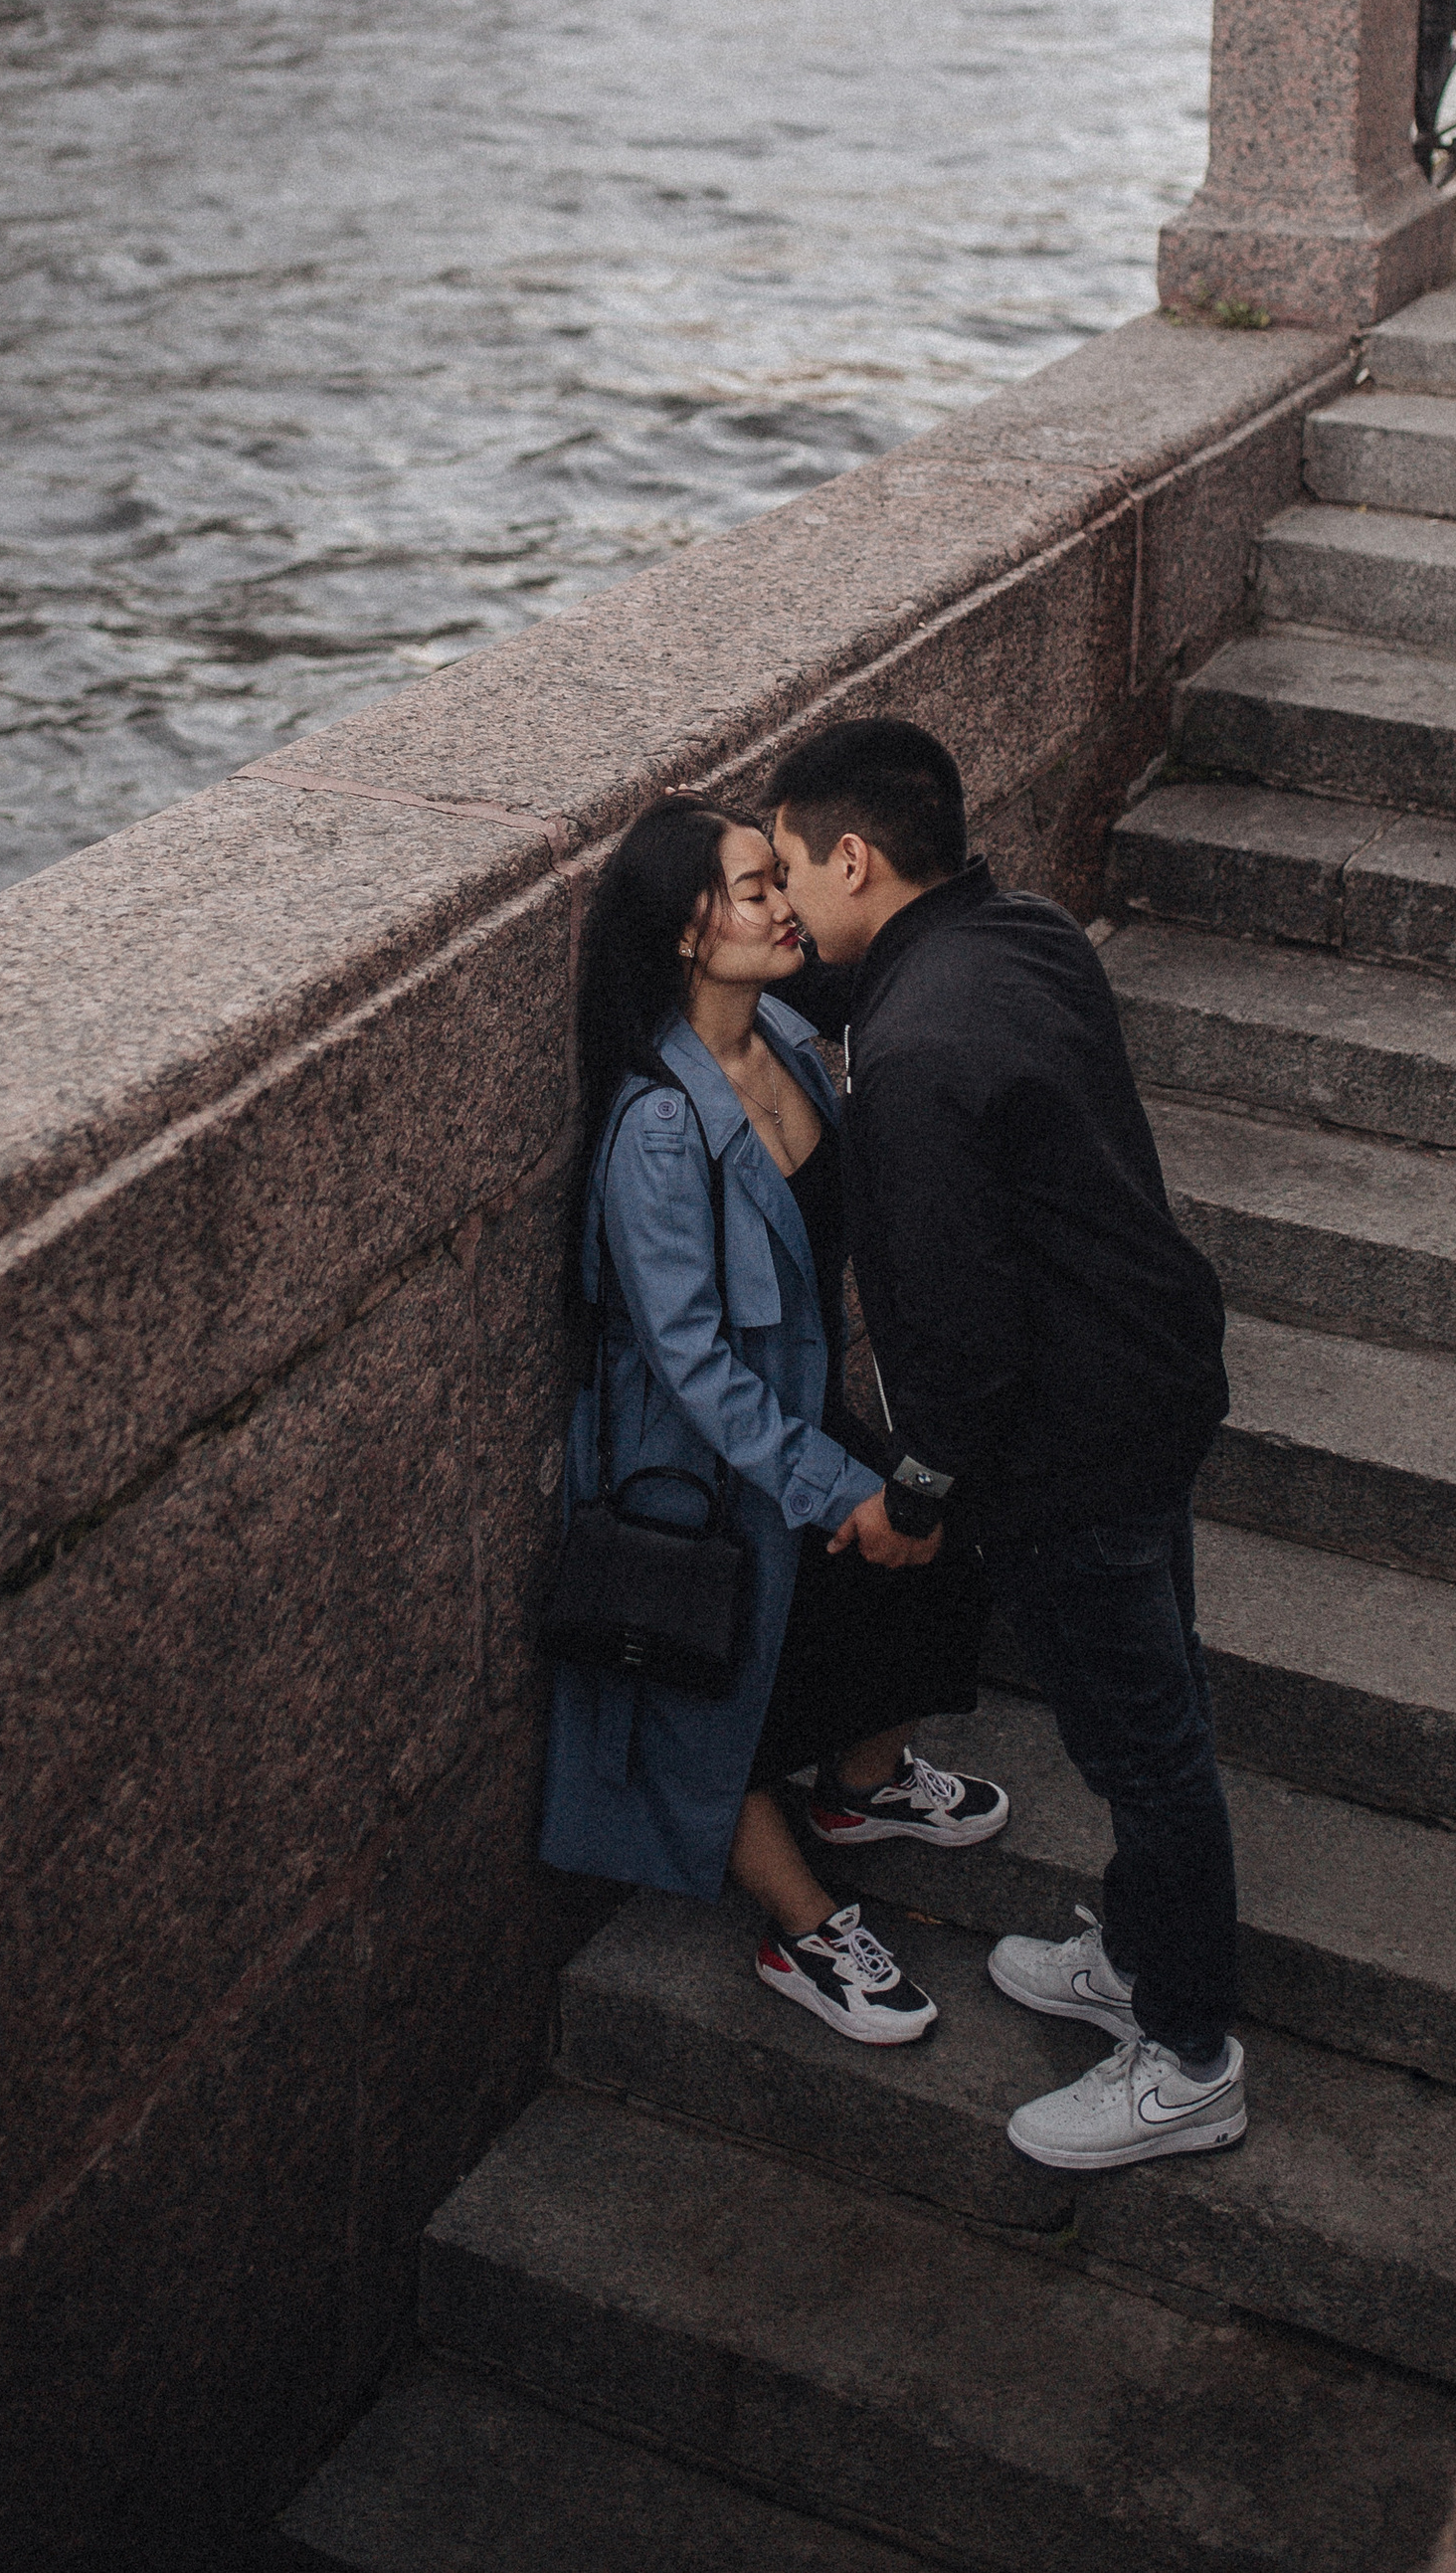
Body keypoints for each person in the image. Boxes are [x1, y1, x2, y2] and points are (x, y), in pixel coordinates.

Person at [767, 718, 1243, 2171]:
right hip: (1151, 1381)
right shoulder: (1025, 933)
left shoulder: (907, 1054)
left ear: (854, 856)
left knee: (1143, 1744)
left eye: (788, 867)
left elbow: (963, 1341)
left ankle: (1189, 2051)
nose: (782, 905)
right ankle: (1140, 1953)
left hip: (1063, 1449)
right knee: (1154, 1695)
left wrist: (919, 1492)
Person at [538, 799, 1007, 2048]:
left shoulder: (797, 1043)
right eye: (755, 891)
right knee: (716, 1678)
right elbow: (687, 1359)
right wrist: (822, 1481)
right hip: (696, 1461)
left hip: (795, 1409)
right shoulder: (656, 1125)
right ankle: (804, 1930)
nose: (785, 907)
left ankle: (858, 1787)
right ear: (689, 930)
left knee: (940, 1562)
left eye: (776, 883)